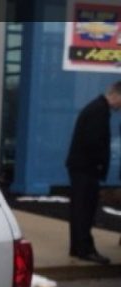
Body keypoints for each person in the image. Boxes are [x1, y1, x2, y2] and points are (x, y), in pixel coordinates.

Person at [65, 81, 121, 264]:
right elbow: (94, 142)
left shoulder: (96, 108)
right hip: (86, 168)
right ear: (116, 95)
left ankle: (78, 247)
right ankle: (85, 248)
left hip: (82, 167)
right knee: (84, 210)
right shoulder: (99, 112)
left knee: (80, 209)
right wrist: (99, 164)